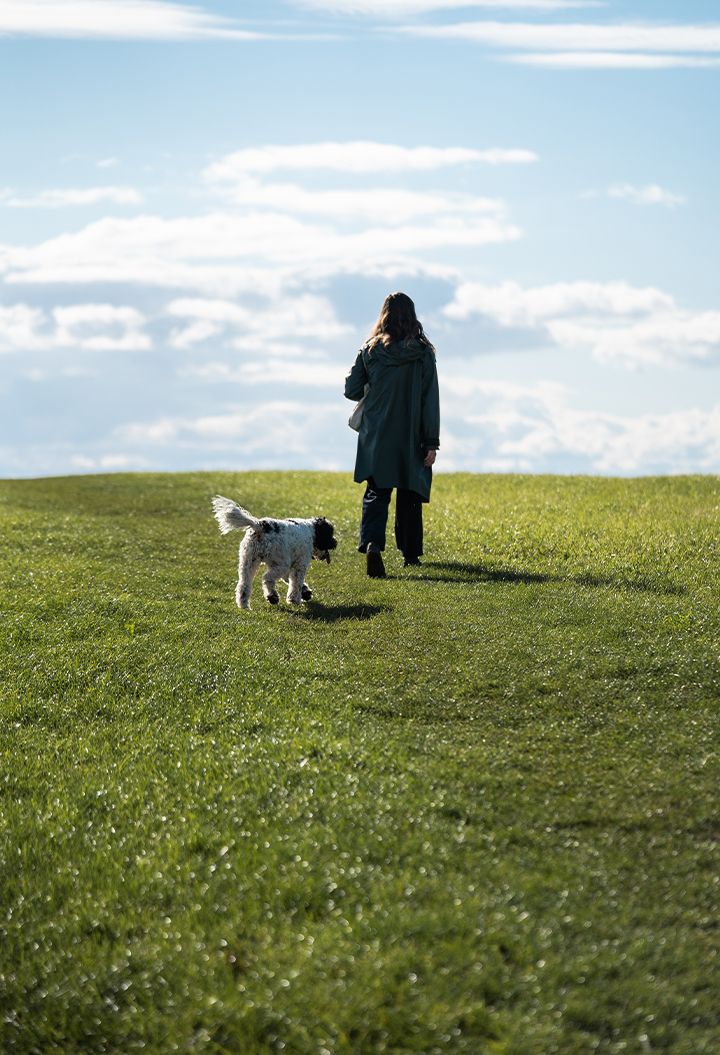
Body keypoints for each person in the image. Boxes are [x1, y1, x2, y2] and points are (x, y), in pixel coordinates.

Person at [344, 291, 440, 578]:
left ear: (383, 316)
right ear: (412, 317)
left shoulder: (370, 350)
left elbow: (350, 389)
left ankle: (373, 544)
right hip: (411, 435)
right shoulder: (422, 353)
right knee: (410, 493)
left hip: (376, 435)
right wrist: (431, 441)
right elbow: (429, 399)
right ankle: (410, 555)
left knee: (377, 492)